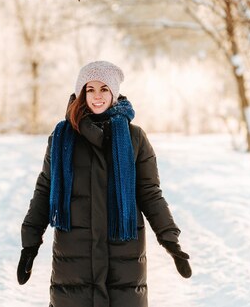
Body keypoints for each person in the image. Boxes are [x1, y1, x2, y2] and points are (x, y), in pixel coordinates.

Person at [18, 60, 191, 307]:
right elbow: (45, 190)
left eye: (104, 89)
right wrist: (30, 243)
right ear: (81, 93)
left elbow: (150, 194)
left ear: (114, 93)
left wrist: (170, 239)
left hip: (123, 257)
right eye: (90, 89)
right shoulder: (62, 138)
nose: (97, 96)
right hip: (74, 258)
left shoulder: (135, 138)